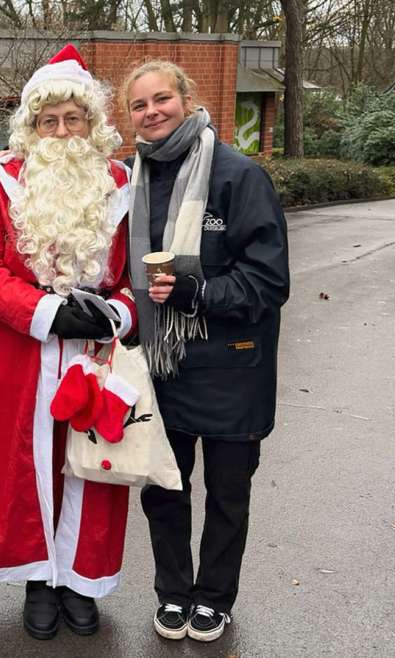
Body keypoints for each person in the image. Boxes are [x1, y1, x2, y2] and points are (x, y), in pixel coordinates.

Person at [0, 45, 137, 640]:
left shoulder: (121, 184)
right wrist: (47, 311)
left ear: (92, 124)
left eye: (73, 119)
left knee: (91, 464)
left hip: (96, 355)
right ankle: (39, 578)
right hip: (22, 353)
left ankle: (81, 581)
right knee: (25, 466)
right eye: (48, 120)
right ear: (31, 127)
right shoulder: (2, 183)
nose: (61, 131)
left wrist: (114, 312)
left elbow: (139, 274)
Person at [123, 60, 289, 643]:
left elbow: (269, 283)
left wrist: (197, 292)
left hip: (232, 365)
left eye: (161, 99)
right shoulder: (130, 181)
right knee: (164, 488)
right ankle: (173, 591)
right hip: (161, 369)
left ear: (187, 99)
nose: (151, 112)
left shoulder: (238, 176)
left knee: (227, 493)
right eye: (139, 106)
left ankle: (214, 598)